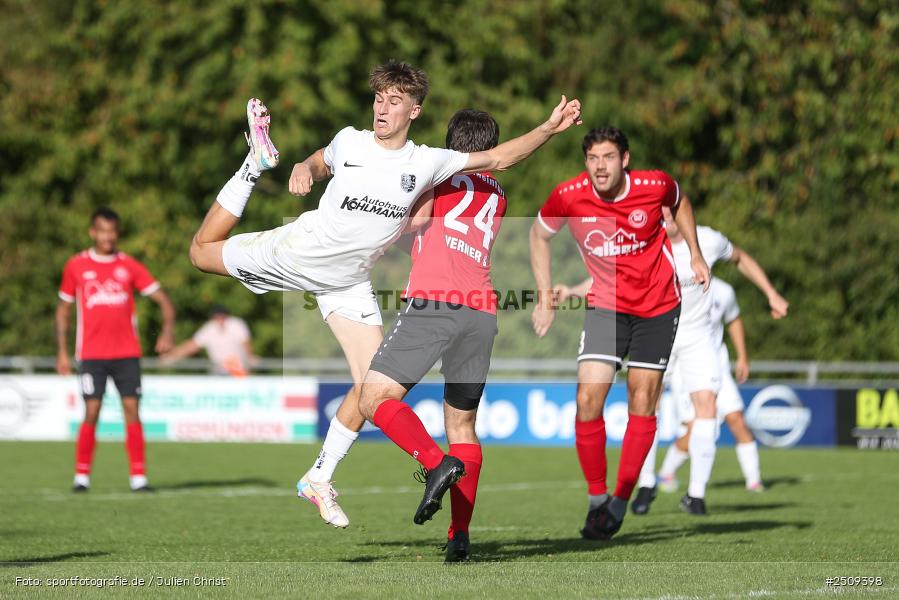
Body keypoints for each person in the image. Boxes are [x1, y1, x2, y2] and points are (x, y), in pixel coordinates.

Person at [186, 60, 581, 528]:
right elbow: (320, 160)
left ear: (414, 110)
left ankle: (319, 478)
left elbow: (498, 159)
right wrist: (303, 167)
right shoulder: (350, 141)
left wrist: (548, 129)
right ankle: (253, 163)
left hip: (349, 281)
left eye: (395, 101)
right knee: (201, 252)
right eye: (379, 99)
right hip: (301, 254)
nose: (382, 108)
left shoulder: (427, 161)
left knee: (370, 391)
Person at [529, 126, 709, 541]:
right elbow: (538, 234)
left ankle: (621, 499)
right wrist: (544, 295)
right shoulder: (569, 195)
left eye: (608, 157)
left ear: (624, 160)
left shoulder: (654, 185)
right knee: (587, 399)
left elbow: (680, 201)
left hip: (658, 306)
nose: (600, 166)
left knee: (641, 400)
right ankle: (597, 499)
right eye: (592, 158)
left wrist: (696, 255)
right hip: (606, 306)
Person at [353, 109, 505, 562]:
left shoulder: (435, 175)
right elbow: (440, 233)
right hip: (481, 312)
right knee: (463, 427)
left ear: (450, 144)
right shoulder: (498, 194)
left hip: (434, 304)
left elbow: (417, 223)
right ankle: (459, 536)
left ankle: (437, 464)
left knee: (372, 399)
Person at [630, 216, 789, 515]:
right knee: (647, 405)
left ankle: (696, 494)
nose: (665, 214)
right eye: (659, 208)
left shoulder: (708, 239)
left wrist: (771, 293)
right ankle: (646, 483)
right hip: (657, 331)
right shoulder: (641, 240)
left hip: (698, 338)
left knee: (707, 409)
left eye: (671, 207)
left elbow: (741, 258)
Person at [56, 207, 176, 492]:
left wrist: (167, 331)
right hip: (91, 355)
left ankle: (139, 478)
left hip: (126, 353)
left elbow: (165, 302)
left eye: (112, 231)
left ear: (117, 233)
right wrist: (61, 351)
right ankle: (81, 477)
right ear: (93, 232)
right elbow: (63, 310)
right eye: (102, 231)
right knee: (92, 411)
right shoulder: (76, 265)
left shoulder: (129, 265)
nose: (107, 237)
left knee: (132, 411)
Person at [650, 277, 788, 498]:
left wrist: (742, 357)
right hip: (686, 370)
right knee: (695, 429)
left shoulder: (724, 291)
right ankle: (667, 473)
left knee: (737, 419)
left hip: (718, 367)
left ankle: (754, 481)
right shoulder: (677, 284)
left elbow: (734, 318)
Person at [160, 305, 256, 376]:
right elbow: (192, 346)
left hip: (238, 369)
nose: (220, 319)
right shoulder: (210, 328)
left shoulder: (236, 324)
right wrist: (171, 356)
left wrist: (251, 359)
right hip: (218, 370)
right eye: (217, 317)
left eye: (222, 316)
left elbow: (245, 344)